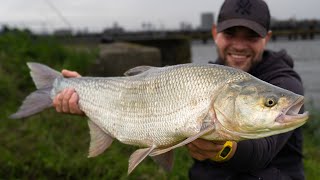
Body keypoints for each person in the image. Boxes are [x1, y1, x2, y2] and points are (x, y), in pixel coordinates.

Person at [53, 0, 306, 179]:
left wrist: (224, 149)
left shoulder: (285, 82)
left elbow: (263, 152)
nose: (239, 45)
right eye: (230, 34)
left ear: (267, 38)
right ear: (215, 33)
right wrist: (85, 95)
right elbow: (142, 112)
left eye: (251, 36)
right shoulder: (203, 75)